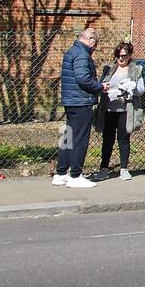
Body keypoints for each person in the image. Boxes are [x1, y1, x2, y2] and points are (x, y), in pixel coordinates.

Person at [55, 26, 108, 187]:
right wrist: (100, 87)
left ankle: (61, 172)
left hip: (71, 100)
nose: (96, 46)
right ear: (90, 40)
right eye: (96, 42)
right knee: (80, 138)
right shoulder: (82, 54)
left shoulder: (72, 51)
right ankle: (75, 175)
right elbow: (83, 78)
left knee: (68, 137)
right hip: (81, 100)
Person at [93, 42, 145, 181]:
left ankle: (124, 169)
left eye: (124, 56)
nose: (121, 59)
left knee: (123, 139)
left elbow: (141, 90)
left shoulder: (135, 70)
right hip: (109, 109)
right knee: (107, 139)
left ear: (129, 56)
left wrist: (129, 89)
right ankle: (104, 168)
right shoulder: (109, 69)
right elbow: (100, 84)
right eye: (118, 56)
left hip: (125, 110)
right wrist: (104, 88)